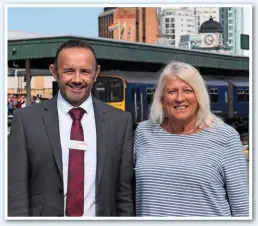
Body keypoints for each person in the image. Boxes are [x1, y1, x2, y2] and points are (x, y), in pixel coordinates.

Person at [8, 39, 135, 217]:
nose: (77, 79)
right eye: (68, 71)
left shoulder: (120, 122)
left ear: (96, 72)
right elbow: (16, 192)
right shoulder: (26, 120)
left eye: (85, 71)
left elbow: (124, 194)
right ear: (54, 71)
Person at [133, 61, 249, 217]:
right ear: (161, 98)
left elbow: (241, 207)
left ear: (199, 96)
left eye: (188, 90)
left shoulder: (226, 137)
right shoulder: (144, 132)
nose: (179, 98)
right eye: (172, 91)